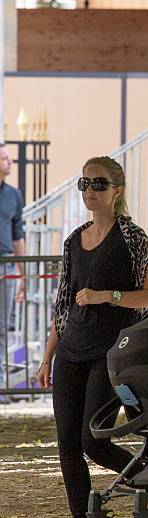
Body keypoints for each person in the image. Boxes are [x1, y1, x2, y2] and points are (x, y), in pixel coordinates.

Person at [38, 156, 148, 518]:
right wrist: (47, 356)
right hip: (71, 350)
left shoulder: (133, 238)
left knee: (94, 438)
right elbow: (63, 304)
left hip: (112, 353)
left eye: (99, 183)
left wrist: (108, 296)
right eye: (84, 183)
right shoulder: (74, 240)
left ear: (117, 190)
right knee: (67, 443)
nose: (90, 190)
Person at [0, 144, 25, 404]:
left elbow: (18, 235)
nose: (9, 162)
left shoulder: (14, 195)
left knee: (2, 326)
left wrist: (22, 275)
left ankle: (0, 383)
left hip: (5, 265)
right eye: (5, 158)